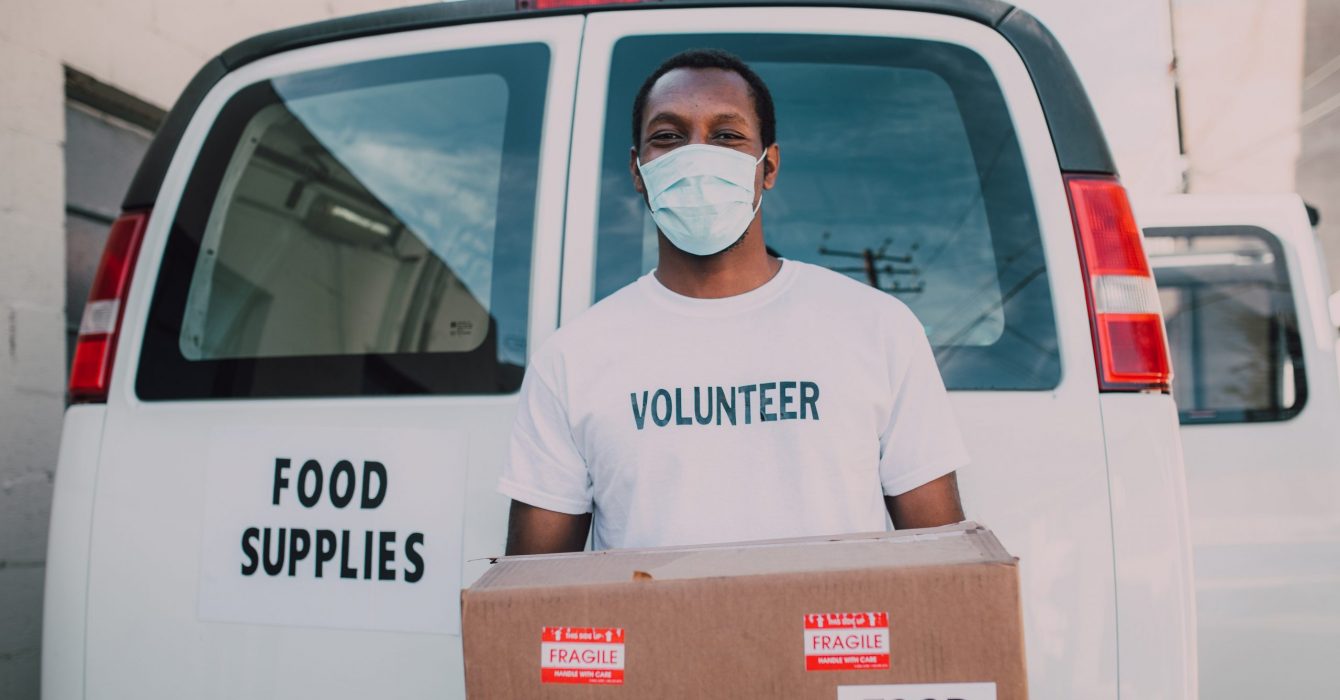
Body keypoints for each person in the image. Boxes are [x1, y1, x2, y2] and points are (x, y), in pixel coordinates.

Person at [499, 49, 968, 555]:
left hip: (828, 635)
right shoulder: (572, 358)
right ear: (638, 171)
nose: (696, 157)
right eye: (668, 137)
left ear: (768, 167)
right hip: (659, 637)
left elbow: (943, 563)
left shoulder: (877, 328)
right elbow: (534, 591)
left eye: (726, 136)